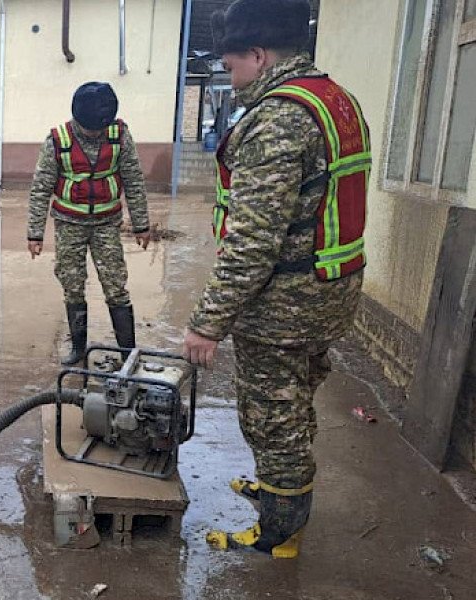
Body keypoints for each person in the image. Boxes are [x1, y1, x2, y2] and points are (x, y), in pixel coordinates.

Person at [183, 0, 370, 558]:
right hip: (332, 288)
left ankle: (278, 534)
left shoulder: (280, 119)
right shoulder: (334, 99)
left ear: (259, 56)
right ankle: (279, 492)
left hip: (287, 303)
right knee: (295, 399)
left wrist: (207, 325)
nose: (232, 77)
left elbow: (252, 244)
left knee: (272, 416)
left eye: (233, 65)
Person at [27, 82, 151, 365]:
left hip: (107, 223)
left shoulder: (119, 135)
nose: (95, 133)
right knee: (72, 284)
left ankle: (127, 352)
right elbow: (40, 188)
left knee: (116, 285)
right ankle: (78, 348)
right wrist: (35, 233)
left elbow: (133, 179)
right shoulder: (58, 140)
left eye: (99, 128)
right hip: (68, 224)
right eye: (90, 129)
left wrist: (141, 224)